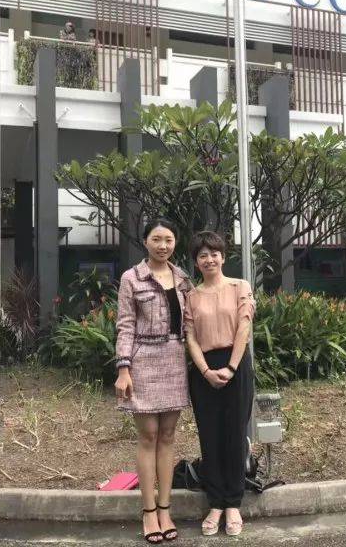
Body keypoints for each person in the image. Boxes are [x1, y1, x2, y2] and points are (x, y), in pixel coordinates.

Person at [114, 218, 194, 544]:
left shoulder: (183, 278)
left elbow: (192, 322)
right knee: (148, 436)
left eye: (169, 239)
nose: (163, 245)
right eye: (157, 239)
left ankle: (165, 509)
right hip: (143, 360)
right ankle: (148, 511)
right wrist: (123, 369)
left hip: (174, 359)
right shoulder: (131, 278)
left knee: (169, 436)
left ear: (175, 242)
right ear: (145, 241)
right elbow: (125, 325)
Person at [184, 231, 256, 537]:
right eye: (203, 255)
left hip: (236, 365)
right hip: (204, 370)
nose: (209, 259)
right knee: (210, 435)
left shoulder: (240, 287)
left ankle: (233, 503)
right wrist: (205, 371)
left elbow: (244, 327)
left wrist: (230, 367)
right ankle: (215, 502)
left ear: (223, 257)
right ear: (196, 262)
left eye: (214, 253)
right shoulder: (191, 296)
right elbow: (190, 337)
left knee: (235, 433)